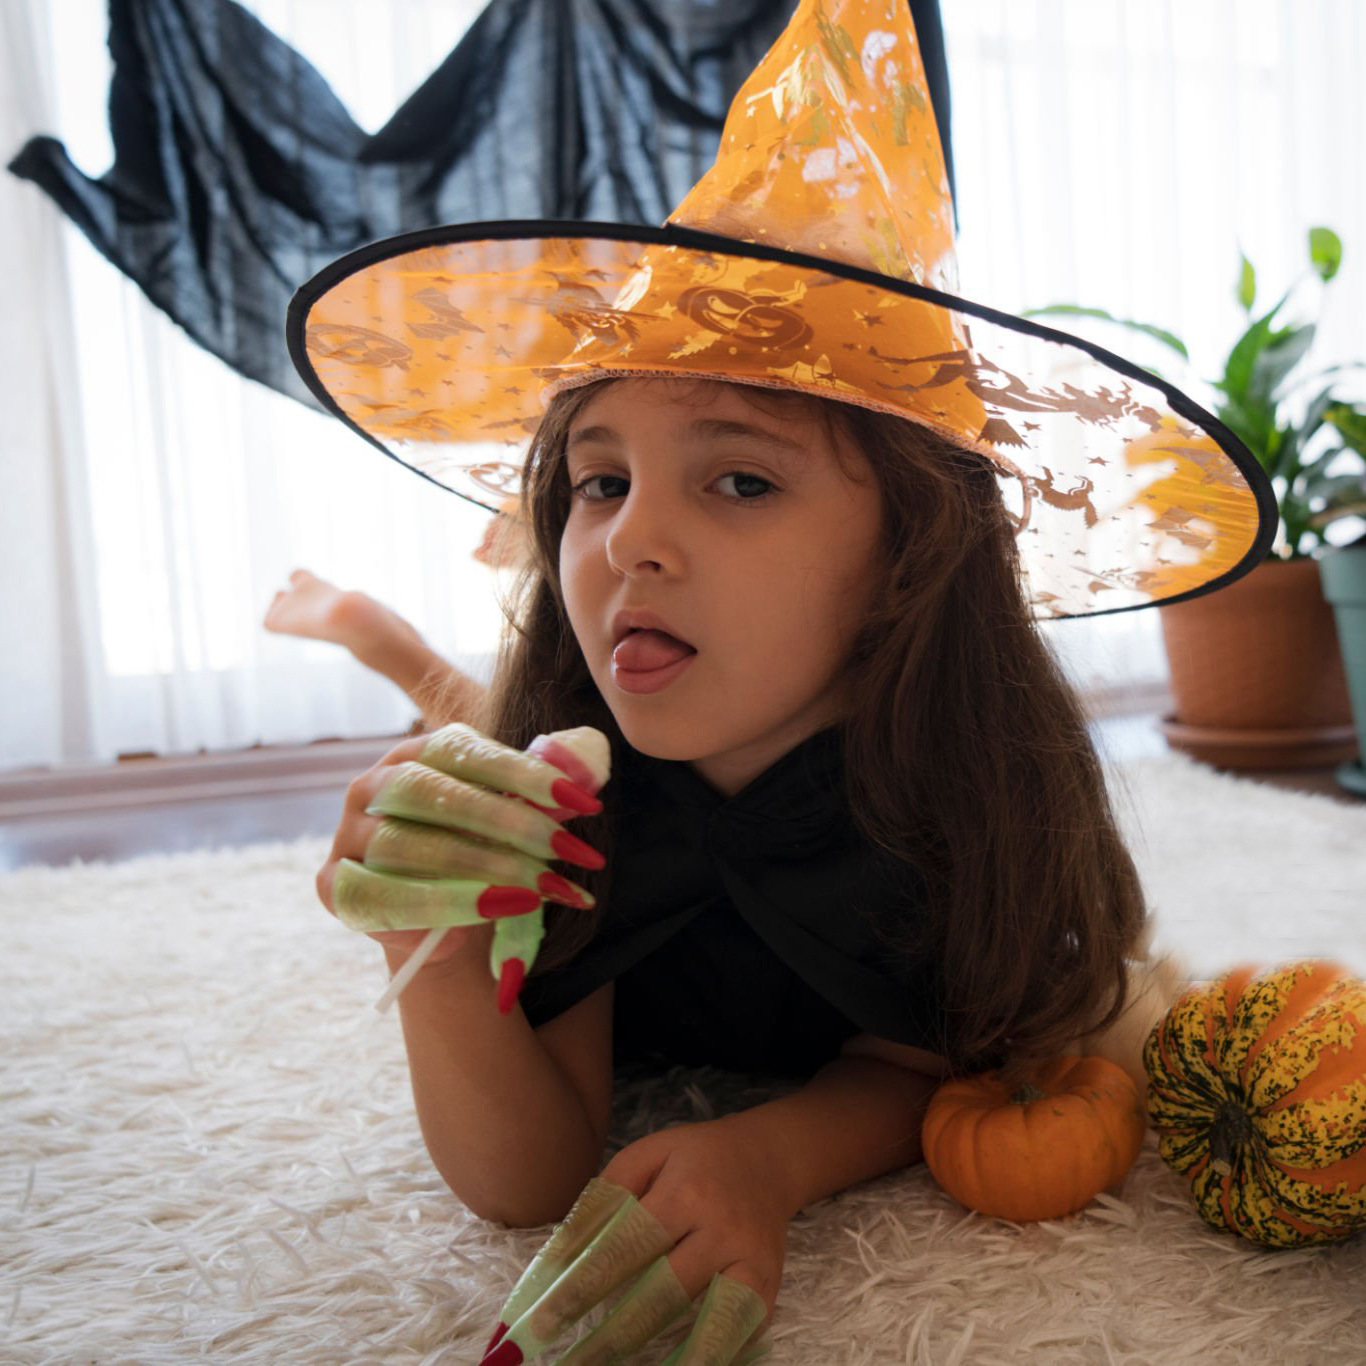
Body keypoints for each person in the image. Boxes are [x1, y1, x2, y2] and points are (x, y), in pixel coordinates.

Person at [285, 1, 1275, 1361]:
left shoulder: (951, 790)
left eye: (739, 477)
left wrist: (769, 1153)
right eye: (598, 480)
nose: (626, 533)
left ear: (905, 557)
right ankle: (379, 638)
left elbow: (938, 1041)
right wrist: (435, 948)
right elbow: (522, 1178)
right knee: (466, 713)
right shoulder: (578, 799)